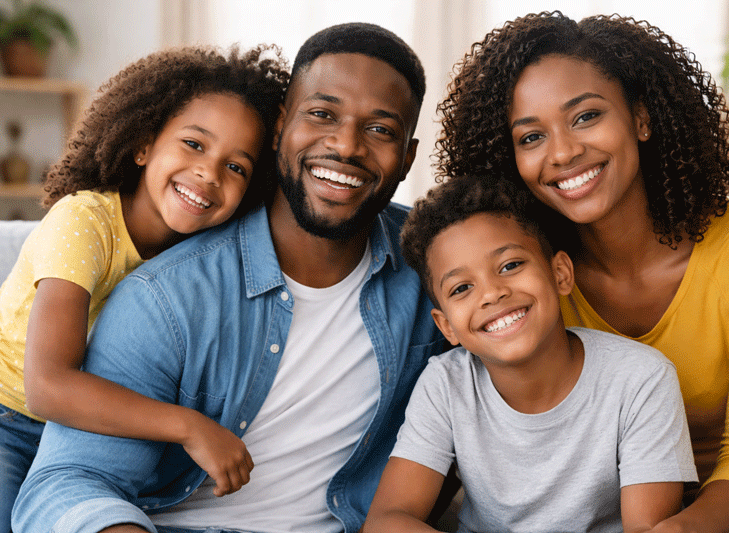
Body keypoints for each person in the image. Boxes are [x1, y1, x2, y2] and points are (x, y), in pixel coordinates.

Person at [12, 22, 448, 533]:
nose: (347, 146)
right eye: (322, 114)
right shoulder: (166, 296)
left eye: (380, 129)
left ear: (408, 157)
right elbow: (67, 482)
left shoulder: (433, 262)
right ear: (281, 125)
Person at [435, 11, 729, 533]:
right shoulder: (522, 277)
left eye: (585, 117)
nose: (562, 152)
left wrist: (674, 530)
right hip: (609, 500)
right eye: (531, 137)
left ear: (642, 119)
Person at [0, 44, 287, 531]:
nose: (208, 173)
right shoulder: (83, 222)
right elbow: (47, 386)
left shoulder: (203, 257)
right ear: (143, 145)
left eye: (236, 166)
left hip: (100, 436)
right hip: (13, 421)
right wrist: (190, 427)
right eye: (194, 144)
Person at [363, 174, 697, 533]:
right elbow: (387, 520)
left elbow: (646, 529)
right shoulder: (446, 384)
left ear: (560, 274)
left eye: (510, 265)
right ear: (447, 327)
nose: (491, 294)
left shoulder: (640, 379)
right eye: (461, 288)